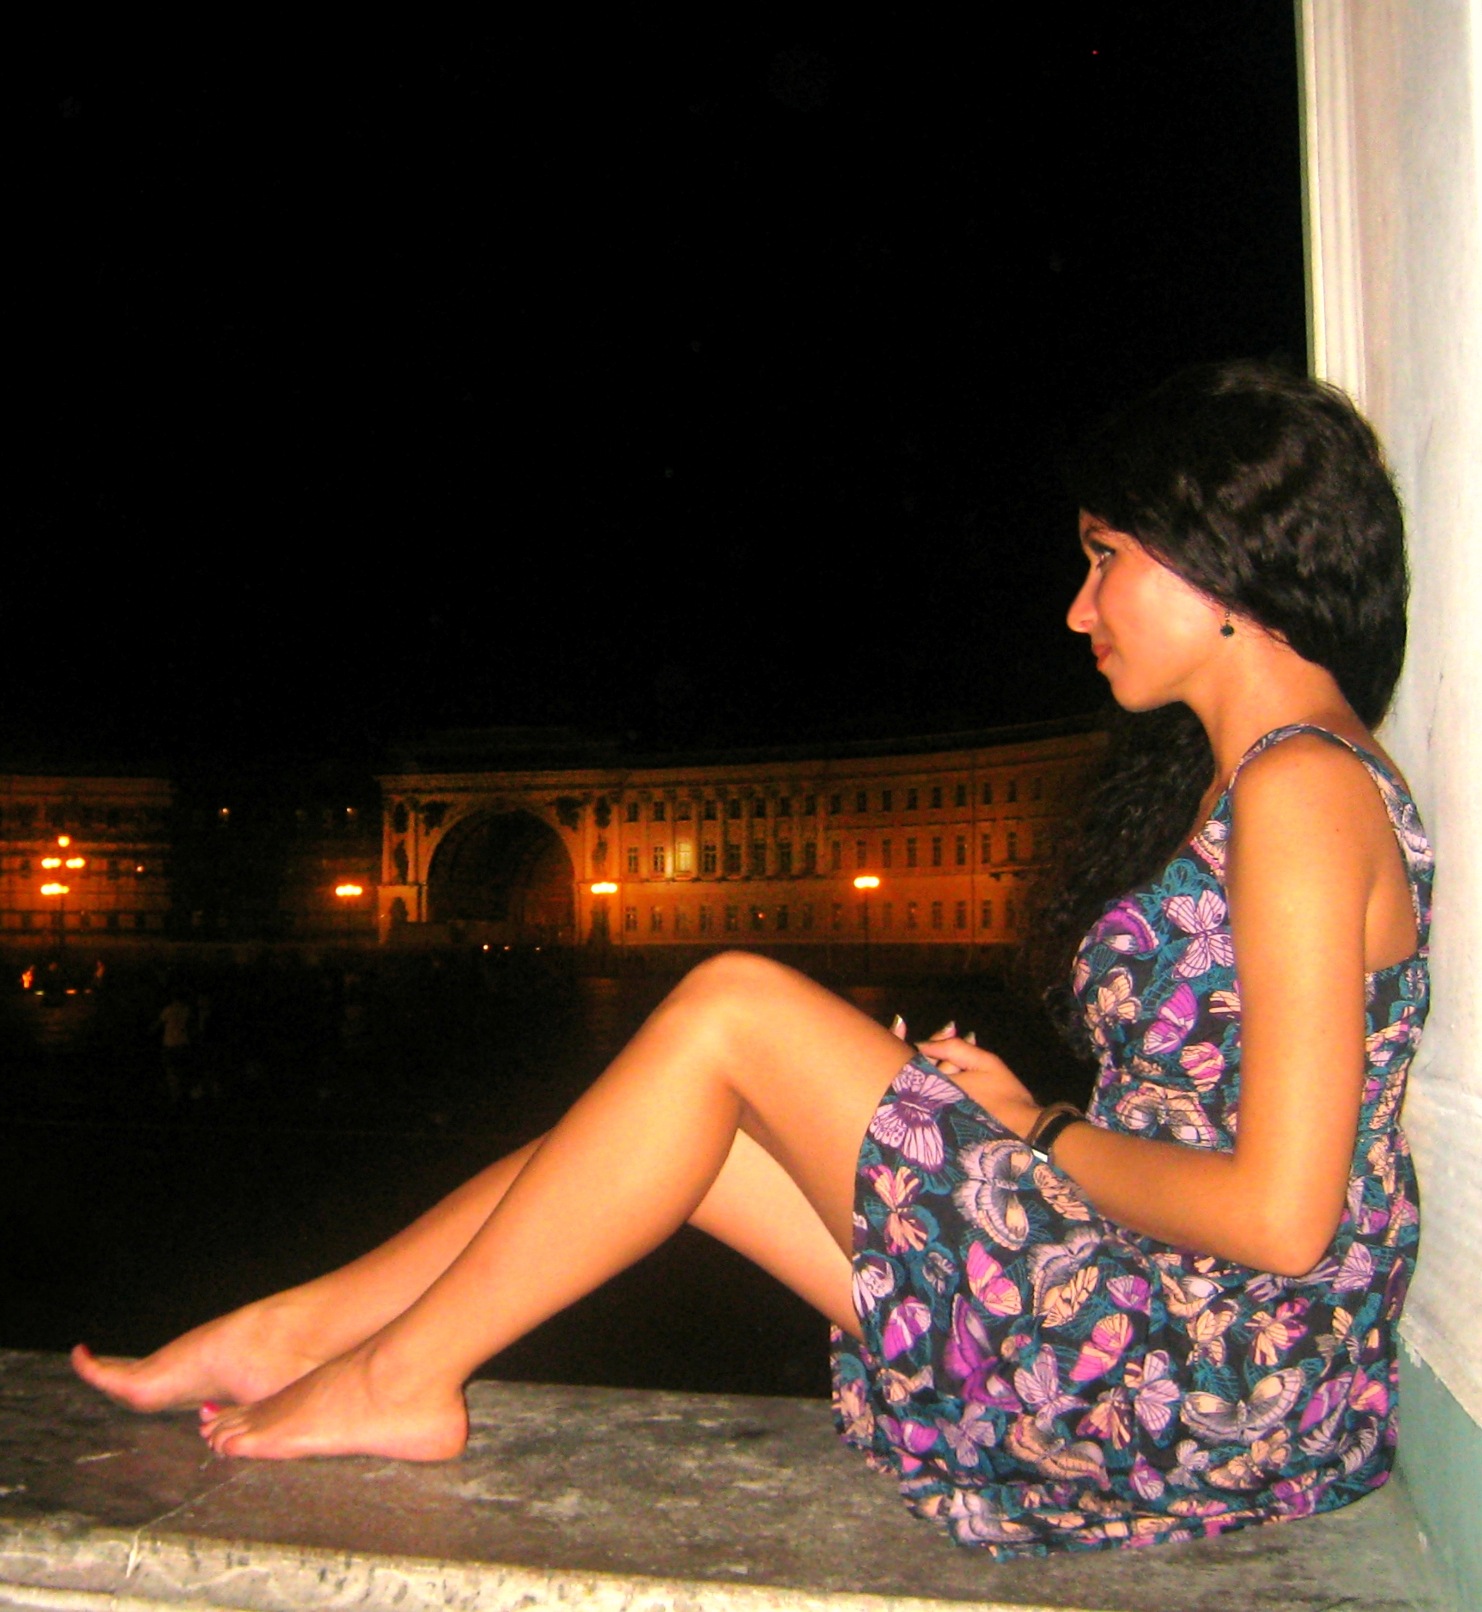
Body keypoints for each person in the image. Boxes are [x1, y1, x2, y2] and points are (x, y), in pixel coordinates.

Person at [71, 362, 1427, 1559]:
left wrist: (1034, 1128)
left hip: (1207, 1381)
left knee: (728, 1004)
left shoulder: (1299, 790)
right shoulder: (1268, 782)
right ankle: (305, 1333)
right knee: (685, 1140)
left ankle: (395, 1376)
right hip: (1171, 1329)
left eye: (1103, 556)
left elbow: (1279, 1219)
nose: (1080, 609)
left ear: (1214, 556)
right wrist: (1003, 1118)